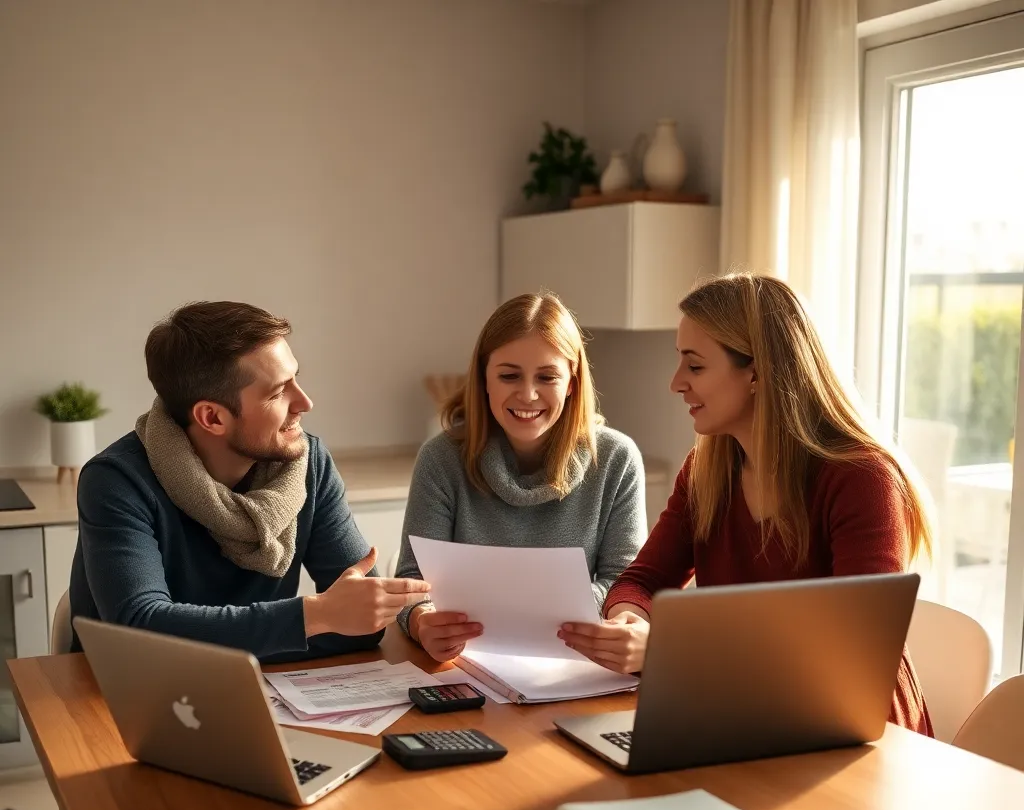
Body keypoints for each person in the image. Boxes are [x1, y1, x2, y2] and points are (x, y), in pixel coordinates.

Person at [559, 273, 934, 735]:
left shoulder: (862, 479)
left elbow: (853, 647)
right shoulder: (706, 471)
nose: (676, 383)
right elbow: (643, 580)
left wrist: (670, 649)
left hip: (859, 732)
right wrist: (629, 623)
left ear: (756, 373)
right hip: (744, 713)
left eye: (695, 366)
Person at [69, 301, 429, 661]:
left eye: (296, 379)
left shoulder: (309, 464)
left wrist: (279, 630)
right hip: (118, 690)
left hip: (262, 685)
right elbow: (139, 632)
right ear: (212, 417)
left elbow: (363, 621)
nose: (304, 402)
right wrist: (313, 617)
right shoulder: (117, 481)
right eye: (278, 392)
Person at [395, 292, 647, 663]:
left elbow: (624, 584)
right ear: (484, 378)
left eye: (547, 377)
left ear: (572, 383)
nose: (528, 394)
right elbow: (412, 583)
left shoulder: (616, 459)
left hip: (573, 661)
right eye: (509, 375)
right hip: (467, 664)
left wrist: (545, 619)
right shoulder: (441, 458)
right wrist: (421, 622)